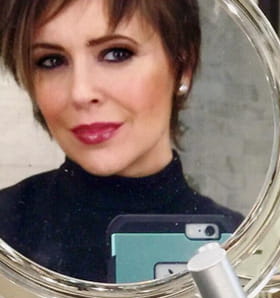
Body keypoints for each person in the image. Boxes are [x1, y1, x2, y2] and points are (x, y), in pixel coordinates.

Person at [0, 0, 243, 282]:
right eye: (51, 61)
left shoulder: (244, 248)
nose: (80, 93)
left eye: (117, 54)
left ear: (183, 67)